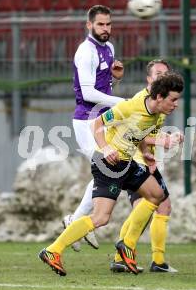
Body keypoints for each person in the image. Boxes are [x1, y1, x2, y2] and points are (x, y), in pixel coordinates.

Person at [39, 72, 184, 276]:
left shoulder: (157, 115)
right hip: (107, 164)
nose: (176, 104)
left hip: (127, 163)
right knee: (100, 217)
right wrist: (106, 148)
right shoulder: (130, 107)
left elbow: (139, 131)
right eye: (173, 99)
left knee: (156, 194)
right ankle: (53, 251)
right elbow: (96, 124)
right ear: (160, 97)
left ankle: (127, 245)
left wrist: (145, 153)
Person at [109, 59, 181, 274]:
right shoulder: (142, 101)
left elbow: (146, 135)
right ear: (148, 79)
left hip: (142, 158)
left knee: (158, 205)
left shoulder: (160, 103)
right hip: (131, 160)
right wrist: (163, 141)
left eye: (165, 74)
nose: (162, 77)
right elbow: (133, 132)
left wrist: (153, 149)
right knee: (150, 205)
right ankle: (129, 254)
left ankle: (142, 259)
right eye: (158, 74)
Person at [63, 4, 125, 252]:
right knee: (105, 170)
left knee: (107, 170)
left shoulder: (108, 48)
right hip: (86, 120)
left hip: (102, 118)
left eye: (108, 24)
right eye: (100, 24)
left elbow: (104, 88)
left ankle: (75, 222)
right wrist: (123, 103)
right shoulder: (85, 51)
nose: (105, 28)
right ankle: (76, 223)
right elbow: (88, 92)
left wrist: (116, 79)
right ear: (89, 25)